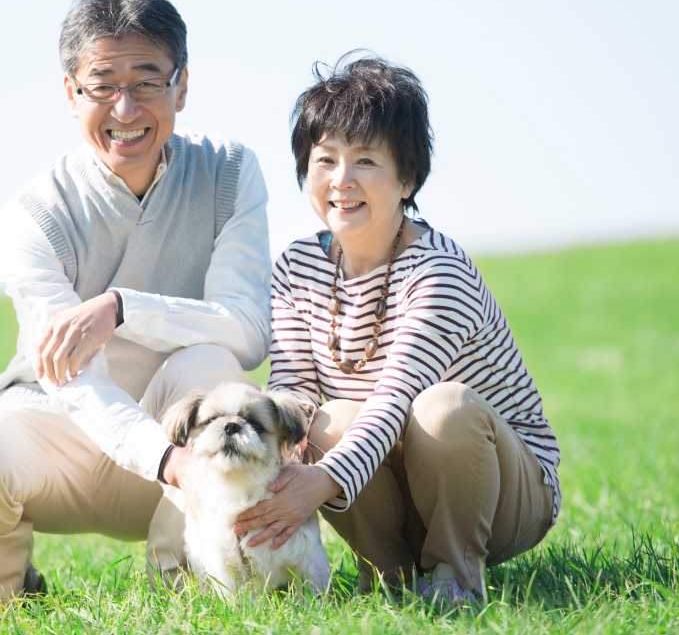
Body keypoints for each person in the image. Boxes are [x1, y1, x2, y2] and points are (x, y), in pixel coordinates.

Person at [0, 0, 270, 608]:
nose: (125, 109)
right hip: (65, 440)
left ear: (182, 86)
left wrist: (123, 307)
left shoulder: (230, 172)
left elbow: (245, 330)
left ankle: (182, 583)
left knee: (212, 368)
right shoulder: (33, 213)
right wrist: (164, 459)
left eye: (146, 81)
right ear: (70, 93)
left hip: (186, 451)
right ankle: (6, 603)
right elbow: (75, 382)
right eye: (103, 85)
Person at [234, 54, 561, 606]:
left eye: (366, 161)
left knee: (443, 408)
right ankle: (394, 581)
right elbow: (291, 396)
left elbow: (395, 399)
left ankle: (456, 580)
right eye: (326, 159)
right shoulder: (296, 266)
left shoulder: (439, 270)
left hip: (501, 491)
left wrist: (318, 483)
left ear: (407, 177)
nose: (342, 181)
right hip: (386, 478)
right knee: (323, 419)